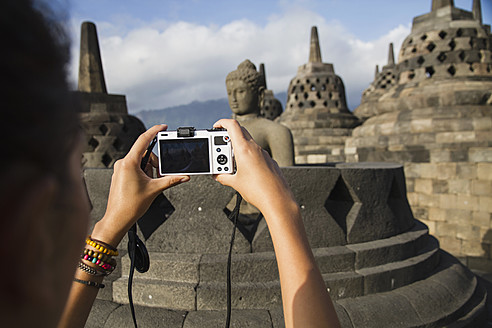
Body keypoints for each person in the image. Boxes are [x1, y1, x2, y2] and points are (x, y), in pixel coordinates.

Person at [1, 1, 340, 327]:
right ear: (35, 222)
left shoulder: (274, 130)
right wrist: (282, 209)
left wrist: (108, 227)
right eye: (78, 169)